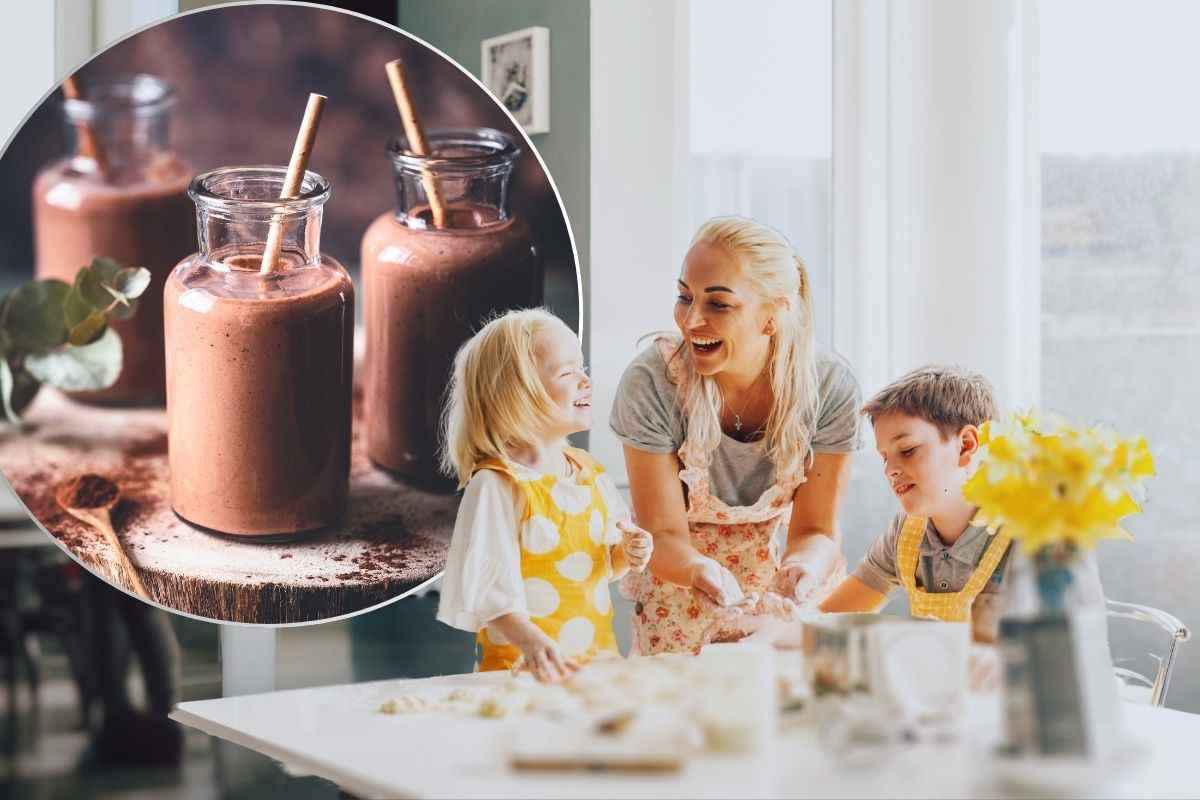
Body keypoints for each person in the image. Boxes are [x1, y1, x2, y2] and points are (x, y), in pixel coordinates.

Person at [610, 216, 862, 655]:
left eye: (719, 304)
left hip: (784, 600)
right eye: (684, 297)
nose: (691, 320)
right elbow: (662, 533)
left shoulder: (829, 386)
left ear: (773, 315)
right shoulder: (653, 382)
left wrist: (803, 567)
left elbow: (817, 529)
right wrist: (700, 571)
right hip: (680, 586)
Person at [436, 309, 653, 682]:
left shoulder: (589, 473)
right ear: (517, 395)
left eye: (581, 367)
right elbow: (490, 592)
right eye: (567, 372)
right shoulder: (497, 484)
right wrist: (533, 644)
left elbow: (599, 567)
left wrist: (628, 554)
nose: (585, 380)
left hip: (595, 668)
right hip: (520, 674)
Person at [820, 365, 1103, 644]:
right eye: (884, 457)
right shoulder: (905, 533)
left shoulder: (1031, 536)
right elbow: (830, 621)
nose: (890, 470)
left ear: (966, 445)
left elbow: (1068, 648)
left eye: (907, 450)